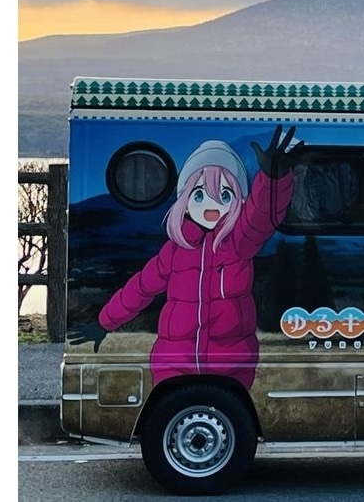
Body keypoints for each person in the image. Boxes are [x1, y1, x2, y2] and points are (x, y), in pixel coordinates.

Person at [69, 126, 297, 390]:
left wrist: (273, 179)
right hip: (173, 362)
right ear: (185, 201)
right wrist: (103, 323)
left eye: (225, 195)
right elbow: (141, 287)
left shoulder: (238, 244)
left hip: (231, 364)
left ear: (240, 201)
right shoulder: (176, 250)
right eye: (199, 195)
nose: (211, 206)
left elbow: (261, 218)